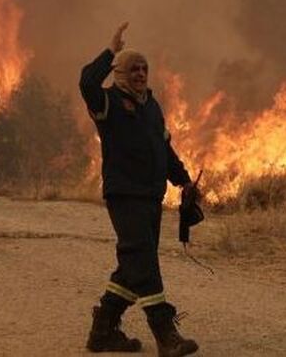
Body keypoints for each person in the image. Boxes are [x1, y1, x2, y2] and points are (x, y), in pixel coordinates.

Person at [80, 22, 199, 356]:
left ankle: (102, 331)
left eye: (144, 68)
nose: (141, 74)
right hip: (124, 194)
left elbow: (165, 149)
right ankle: (166, 335)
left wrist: (183, 181)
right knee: (144, 260)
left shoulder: (152, 107)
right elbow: (86, 81)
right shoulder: (107, 103)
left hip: (151, 196)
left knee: (132, 265)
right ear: (119, 72)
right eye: (134, 69)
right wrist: (110, 52)